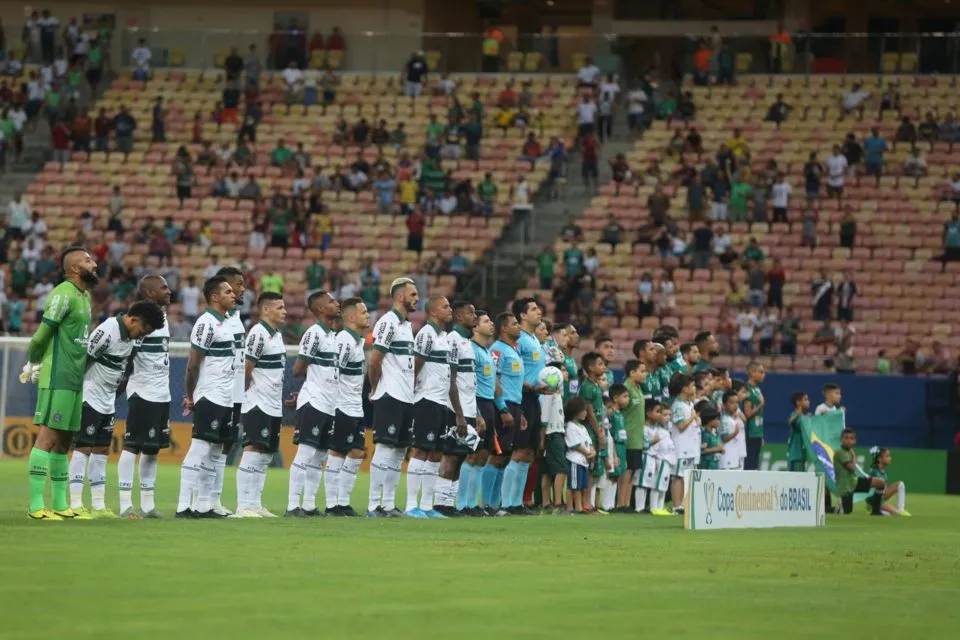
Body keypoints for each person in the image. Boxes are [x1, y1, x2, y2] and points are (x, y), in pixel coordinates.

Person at [68, 300, 163, 519]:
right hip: (90, 395)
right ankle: (75, 503)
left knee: (101, 450)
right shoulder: (107, 331)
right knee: (83, 448)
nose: (141, 336)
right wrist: (75, 394)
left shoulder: (131, 338)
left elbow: (123, 368)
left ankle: (99, 506)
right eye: (143, 330)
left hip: (108, 400)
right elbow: (84, 361)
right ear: (133, 319)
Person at [23, 247, 98, 520]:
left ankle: (59, 505)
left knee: (64, 441)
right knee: (47, 438)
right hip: (57, 376)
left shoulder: (84, 296)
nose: (95, 263)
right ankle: (35, 506)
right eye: (89, 260)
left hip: (75, 377)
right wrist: (33, 363)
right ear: (75, 269)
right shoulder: (62, 294)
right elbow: (41, 336)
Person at [176, 276, 237, 518]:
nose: (233, 295)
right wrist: (190, 396)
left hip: (225, 397)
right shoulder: (206, 322)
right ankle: (183, 506)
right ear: (214, 297)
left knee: (215, 451)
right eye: (228, 291)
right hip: (209, 394)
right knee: (200, 448)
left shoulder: (227, 323)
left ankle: (204, 505)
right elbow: (192, 364)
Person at [118, 275, 173, 519]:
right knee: (133, 446)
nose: (169, 291)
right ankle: (124, 504)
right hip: (143, 391)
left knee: (153, 449)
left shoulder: (163, 319)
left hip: (162, 392)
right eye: (163, 287)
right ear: (149, 293)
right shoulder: (139, 321)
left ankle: (148, 505)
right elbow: (128, 357)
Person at [367, 278, 419, 517]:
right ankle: (373, 504)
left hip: (406, 397)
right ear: (400, 297)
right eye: (413, 294)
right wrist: (376, 388)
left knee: (399, 451)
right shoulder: (388, 323)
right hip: (390, 394)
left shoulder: (406, 325)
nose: (417, 298)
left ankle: (388, 504)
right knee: (386, 448)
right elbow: (375, 361)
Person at [287, 291, 341, 516]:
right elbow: (297, 369)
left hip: (329, 403)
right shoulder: (314, 334)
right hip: (315, 401)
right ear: (319, 309)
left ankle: (308, 504)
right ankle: (292, 505)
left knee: (320, 456)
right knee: (306, 453)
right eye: (331, 301)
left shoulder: (332, 336)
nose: (337, 304)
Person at [234, 292, 287, 518]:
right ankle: (243, 505)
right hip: (257, 402)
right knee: (253, 450)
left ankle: (255, 504)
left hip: (273, 404)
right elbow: (247, 367)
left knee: (265, 454)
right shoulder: (258, 332)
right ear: (266, 310)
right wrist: (244, 396)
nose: (284, 311)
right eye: (279, 307)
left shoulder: (277, 335)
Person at [404, 295, 454, 519]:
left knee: (435, 453)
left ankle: (426, 506)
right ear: (433, 312)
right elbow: (415, 366)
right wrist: (411, 395)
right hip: (426, 400)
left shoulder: (443, 336)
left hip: (442, 401)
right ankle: (410, 505)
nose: (449, 309)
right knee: (422, 449)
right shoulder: (426, 334)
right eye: (445, 307)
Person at [433, 301, 481, 517]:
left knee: (461, 456)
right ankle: (440, 503)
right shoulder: (452, 341)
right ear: (460, 317)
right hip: (456, 409)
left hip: (469, 409)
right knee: (451, 455)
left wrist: (476, 413)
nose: (475, 316)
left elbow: (470, 382)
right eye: (470, 313)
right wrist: (459, 415)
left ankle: (449, 503)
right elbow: (451, 380)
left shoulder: (468, 343)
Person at [325, 297, 370, 516]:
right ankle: (333, 504)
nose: (368, 315)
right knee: (337, 452)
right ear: (351, 317)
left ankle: (342, 502)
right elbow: (334, 372)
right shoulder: (343, 340)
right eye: (363, 312)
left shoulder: (357, 341)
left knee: (357, 452)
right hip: (342, 405)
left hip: (355, 407)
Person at [210, 267, 247, 516]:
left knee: (226, 444)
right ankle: (201, 499)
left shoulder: (235, 317)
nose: (242, 289)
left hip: (235, 390)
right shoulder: (217, 320)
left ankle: (214, 500)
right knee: (210, 444)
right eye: (238, 284)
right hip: (218, 390)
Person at [507, 297, 549, 514]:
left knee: (529, 453)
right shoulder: (519, 340)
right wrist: (531, 388)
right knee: (517, 451)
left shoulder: (535, 341)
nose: (538, 311)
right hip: (521, 397)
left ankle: (517, 502)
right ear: (522, 315)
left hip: (535, 398)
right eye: (533, 309)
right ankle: (506, 503)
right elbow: (513, 372)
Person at [484, 312, 525, 516]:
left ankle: (495, 504)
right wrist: (502, 408)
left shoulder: (513, 350)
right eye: (515, 323)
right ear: (504, 329)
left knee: (506, 456)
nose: (518, 326)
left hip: (515, 405)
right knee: (496, 455)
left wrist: (520, 412)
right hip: (504, 405)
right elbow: (494, 379)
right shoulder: (498, 350)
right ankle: (485, 504)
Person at [458, 310, 496, 515]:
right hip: (476, 404)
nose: (491, 324)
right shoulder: (471, 349)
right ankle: (462, 503)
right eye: (486, 321)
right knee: (471, 456)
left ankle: (473, 504)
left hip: (488, 404)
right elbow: (468, 383)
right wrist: (477, 411)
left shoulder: (486, 350)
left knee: (482, 455)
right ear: (475, 327)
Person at [667, 374, 699, 514]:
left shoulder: (689, 404)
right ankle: (676, 506)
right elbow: (680, 426)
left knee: (688, 476)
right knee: (678, 476)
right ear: (685, 389)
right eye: (692, 385)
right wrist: (692, 417)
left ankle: (684, 505)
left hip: (691, 446)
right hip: (681, 446)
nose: (694, 388)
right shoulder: (678, 405)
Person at [834, 428, 884, 515]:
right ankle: (828, 509)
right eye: (846, 438)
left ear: (855, 441)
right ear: (841, 440)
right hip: (845, 488)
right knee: (845, 511)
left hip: (854, 482)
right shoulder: (840, 452)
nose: (849, 441)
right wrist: (853, 455)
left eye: (851, 438)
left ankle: (876, 511)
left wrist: (852, 454)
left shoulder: (848, 452)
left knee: (880, 483)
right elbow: (852, 468)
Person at [621, 360, 647, 512]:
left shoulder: (638, 388)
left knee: (633, 471)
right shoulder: (626, 388)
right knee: (627, 470)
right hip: (629, 435)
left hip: (638, 436)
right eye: (642, 371)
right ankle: (621, 503)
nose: (645, 374)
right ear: (632, 372)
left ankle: (627, 503)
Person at [640, 400, 673, 516]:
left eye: (669, 415)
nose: (667, 417)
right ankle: (653, 507)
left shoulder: (665, 430)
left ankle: (660, 507)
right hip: (659, 458)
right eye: (664, 414)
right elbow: (655, 446)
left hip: (666, 459)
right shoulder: (656, 430)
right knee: (656, 484)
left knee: (663, 485)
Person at [563, 396, 595, 514]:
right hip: (574, 460)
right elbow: (575, 444)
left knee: (581, 485)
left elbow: (589, 443)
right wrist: (588, 453)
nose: (586, 413)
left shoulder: (583, 427)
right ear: (576, 411)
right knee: (573, 485)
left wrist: (592, 451)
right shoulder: (571, 426)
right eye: (584, 410)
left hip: (583, 461)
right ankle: (574, 507)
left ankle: (578, 506)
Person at [608, 384, 631, 512]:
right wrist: (614, 453)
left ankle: (618, 504)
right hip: (615, 446)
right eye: (625, 396)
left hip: (622, 446)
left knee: (620, 475)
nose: (628, 399)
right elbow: (610, 435)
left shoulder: (620, 414)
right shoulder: (612, 415)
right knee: (613, 475)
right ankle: (608, 505)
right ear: (616, 398)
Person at [869, 447, 910, 516]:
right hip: (875, 500)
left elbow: (883, 491)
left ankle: (901, 510)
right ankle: (873, 508)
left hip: (881, 498)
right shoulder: (874, 472)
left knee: (900, 484)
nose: (890, 458)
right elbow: (870, 492)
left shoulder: (883, 471)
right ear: (879, 458)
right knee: (895, 513)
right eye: (887, 456)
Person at [742, 361, 766, 470]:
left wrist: (760, 436)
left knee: (755, 464)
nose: (763, 375)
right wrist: (760, 405)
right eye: (761, 372)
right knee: (749, 464)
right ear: (752, 373)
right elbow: (747, 414)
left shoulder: (757, 389)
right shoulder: (747, 389)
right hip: (750, 433)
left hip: (757, 433)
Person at [717, 391, 744, 470]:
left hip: (734, 455)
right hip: (726, 456)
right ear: (724, 405)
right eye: (732, 402)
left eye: (737, 402)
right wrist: (735, 433)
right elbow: (724, 438)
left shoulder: (732, 418)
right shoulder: (724, 419)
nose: (735, 405)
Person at [786, 391, 810, 472]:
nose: (808, 402)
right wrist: (797, 415)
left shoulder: (805, 416)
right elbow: (790, 421)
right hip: (795, 456)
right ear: (798, 402)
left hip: (802, 455)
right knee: (793, 483)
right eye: (805, 399)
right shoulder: (795, 414)